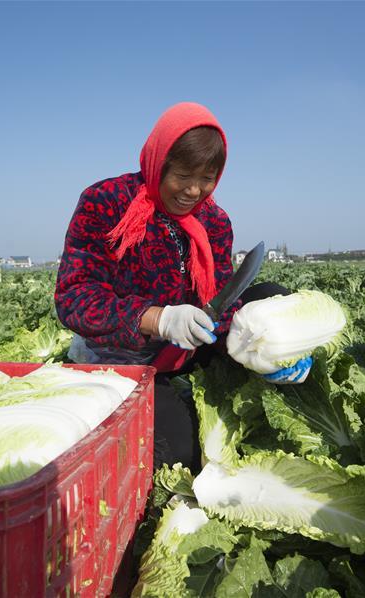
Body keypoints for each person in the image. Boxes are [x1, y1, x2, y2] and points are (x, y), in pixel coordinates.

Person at [55, 102, 311, 471]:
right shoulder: (105, 202)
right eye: (183, 176)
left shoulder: (214, 222)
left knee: (272, 299)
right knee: (183, 453)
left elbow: (221, 305)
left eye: (207, 179)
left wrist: (270, 351)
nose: (194, 191)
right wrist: (155, 319)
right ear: (160, 162)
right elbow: (74, 297)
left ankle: (279, 384)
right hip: (121, 361)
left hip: (189, 347)